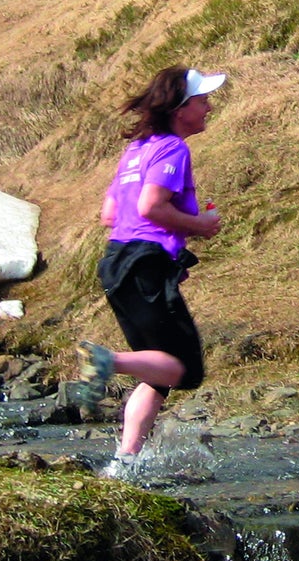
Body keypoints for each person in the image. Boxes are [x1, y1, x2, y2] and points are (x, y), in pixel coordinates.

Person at [76, 66, 225, 472]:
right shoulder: (174, 149)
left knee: (158, 368)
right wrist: (200, 226)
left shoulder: (136, 150)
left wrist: (170, 252)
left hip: (119, 262)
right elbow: (150, 207)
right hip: (142, 263)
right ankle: (106, 361)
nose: (209, 106)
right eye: (202, 100)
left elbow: (111, 213)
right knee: (185, 369)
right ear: (181, 109)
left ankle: (126, 462)